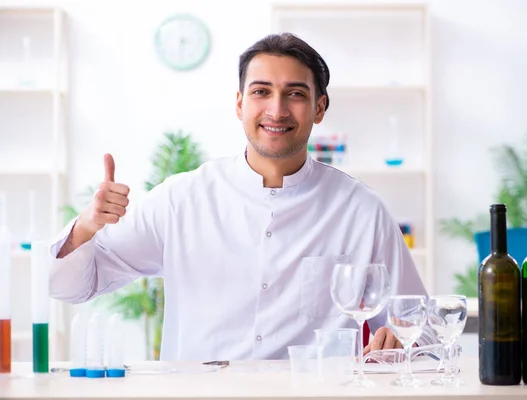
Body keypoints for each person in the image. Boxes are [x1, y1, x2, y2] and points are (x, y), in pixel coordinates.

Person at [49, 32, 436, 361]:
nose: (277, 109)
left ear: (319, 108)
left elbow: (424, 329)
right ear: (239, 104)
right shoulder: (181, 199)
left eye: (295, 94)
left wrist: (402, 341)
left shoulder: (360, 211)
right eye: (261, 92)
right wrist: (87, 226)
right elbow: (70, 288)